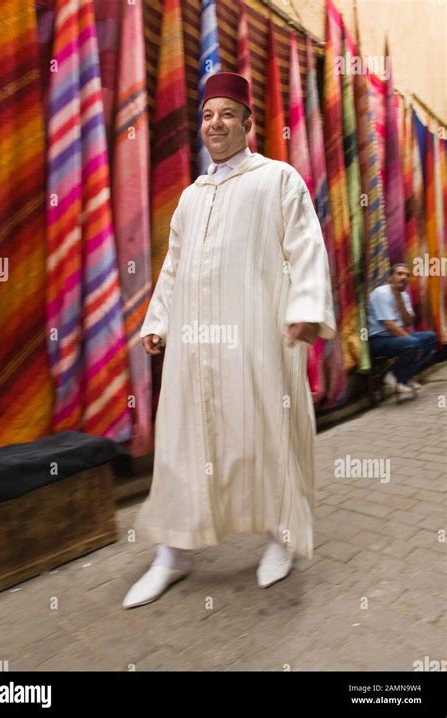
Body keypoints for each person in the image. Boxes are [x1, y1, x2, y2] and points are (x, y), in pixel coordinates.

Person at [122, 72, 336, 609]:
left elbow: (306, 248)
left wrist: (307, 309)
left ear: (247, 122)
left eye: (226, 114)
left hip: (259, 340)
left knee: (268, 435)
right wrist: (158, 321)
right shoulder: (193, 197)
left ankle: (281, 539)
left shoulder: (279, 179)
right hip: (195, 349)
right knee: (184, 443)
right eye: (207, 115)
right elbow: (174, 265)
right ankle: (173, 553)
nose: (215, 124)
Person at [367, 264, 439, 394]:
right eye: (399, 274)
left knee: (430, 338)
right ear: (390, 278)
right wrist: (413, 341)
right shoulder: (381, 293)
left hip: (396, 337)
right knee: (414, 344)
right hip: (378, 340)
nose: (404, 277)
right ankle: (395, 376)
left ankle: (402, 377)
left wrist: (400, 302)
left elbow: (409, 323)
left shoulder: (403, 295)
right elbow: (389, 324)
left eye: (407, 275)